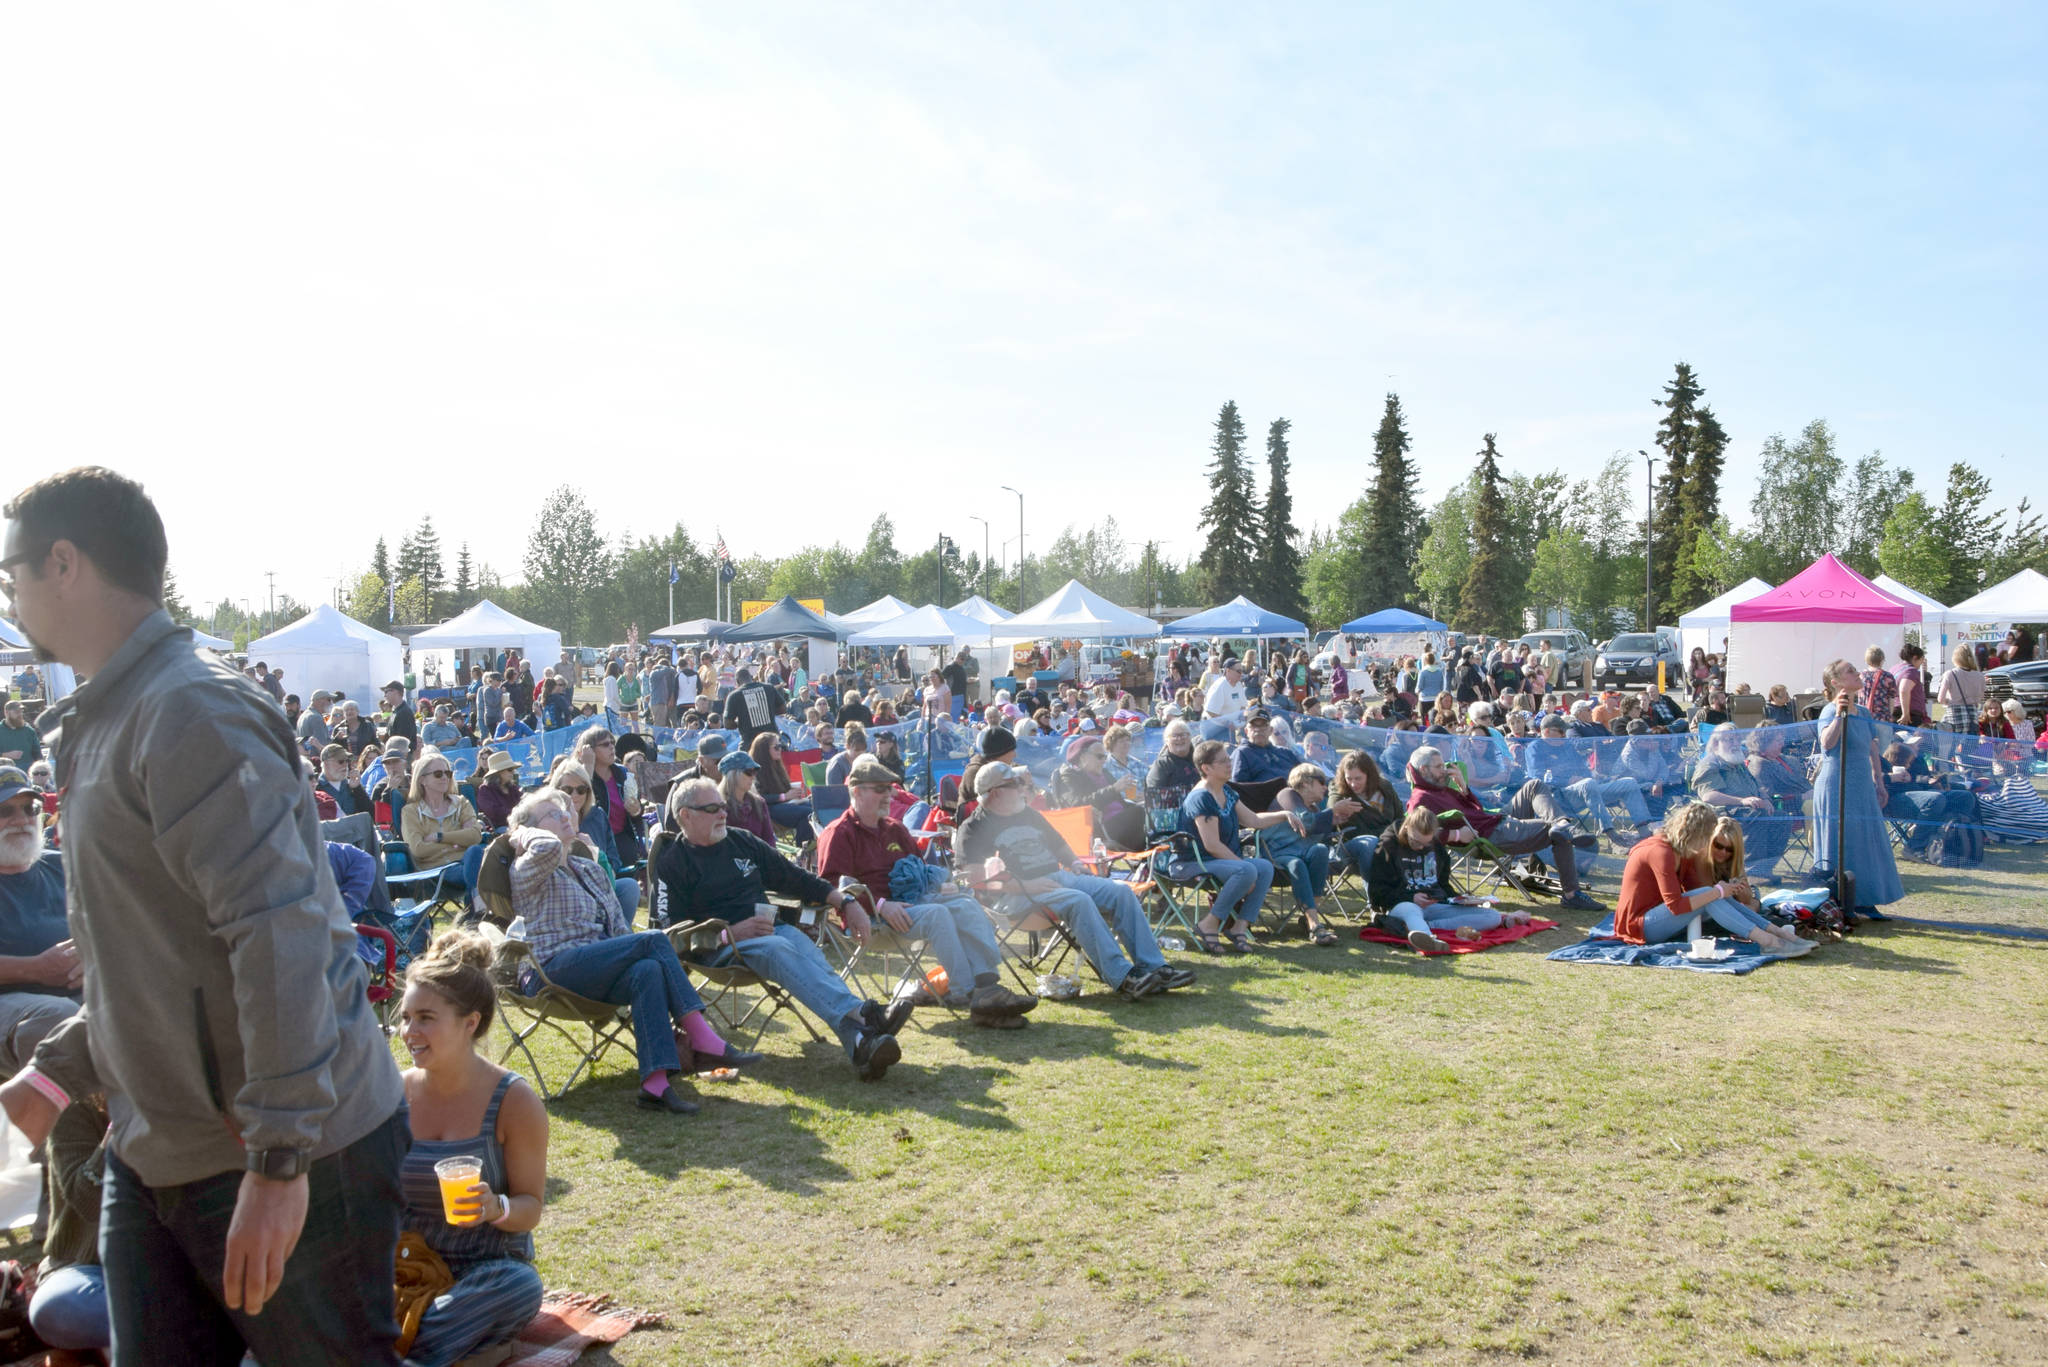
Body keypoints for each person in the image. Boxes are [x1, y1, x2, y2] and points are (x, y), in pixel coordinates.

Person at [0, 466, 407, 1362]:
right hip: (159, 1148)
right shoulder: (111, 713)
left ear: (64, 562)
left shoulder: (188, 709)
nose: (10, 591)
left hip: (282, 1148)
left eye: (13, 570)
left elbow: (282, 932)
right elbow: (144, 956)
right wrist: (60, 1068)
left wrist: (280, 1156)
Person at [509, 788, 755, 1112]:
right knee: (652, 938)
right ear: (532, 830)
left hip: (595, 969)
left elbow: (619, 930)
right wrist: (521, 831)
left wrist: (633, 950)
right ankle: (702, 1037)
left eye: (564, 811)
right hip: (550, 969)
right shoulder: (526, 870)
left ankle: (655, 1084)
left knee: (646, 970)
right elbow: (549, 847)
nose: (565, 815)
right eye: (553, 814)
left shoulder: (591, 870)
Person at [656, 776, 907, 1078]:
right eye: (713, 808)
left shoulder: (741, 841)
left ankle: (860, 1041)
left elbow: (793, 877)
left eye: (723, 806)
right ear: (685, 814)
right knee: (779, 947)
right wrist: (731, 934)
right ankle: (865, 1015)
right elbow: (672, 937)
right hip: (721, 948)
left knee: (804, 949)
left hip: (769, 934)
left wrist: (846, 903)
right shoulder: (672, 861)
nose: (723, 813)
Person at [397, 932, 548, 1367]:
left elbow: (530, 1207)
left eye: (426, 1017)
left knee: (519, 1288)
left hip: (483, 1267)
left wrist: (494, 1206)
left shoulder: (514, 1101)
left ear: (470, 1023)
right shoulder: (396, 1092)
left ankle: (386, 1350)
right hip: (407, 1262)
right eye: (406, 1017)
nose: (410, 1031)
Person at [815, 755, 1037, 1029]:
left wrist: (937, 883)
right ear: (857, 791)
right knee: (938, 914)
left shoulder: (895, 829)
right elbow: (831, 884)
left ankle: (987, 986)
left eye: (890, 789)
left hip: (913, 903)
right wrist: (881, 905)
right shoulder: (839, 833)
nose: (888, 795)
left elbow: (918, 867)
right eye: (880, 789)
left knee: (966, 904)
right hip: (872, 919)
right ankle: (967, 994)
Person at [954, 764, 1188, 1000]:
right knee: (1079, 900)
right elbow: (977, 882)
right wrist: (1027, 887)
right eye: (1015, 784)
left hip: (1058, 879)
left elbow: (1059, 845)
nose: (1023, 787)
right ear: (995, 792)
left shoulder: (1027, 813)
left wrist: (1075, 864)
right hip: (1015, 896)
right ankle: (1124, 977)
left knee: (1121, 892)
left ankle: (1154, 967)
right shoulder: (974, 829)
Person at [1404, 744, 1604, 912]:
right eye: (1439, 767)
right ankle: (1571, 893)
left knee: (1534, 786)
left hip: (1493, 820)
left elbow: (1477, 810)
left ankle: (1561, 824)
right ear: (1423, 770)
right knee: (1550, 830)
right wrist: (1456, 834)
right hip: (1489, 835)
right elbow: (1415, 832)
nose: (1445, 770)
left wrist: (1463, 787)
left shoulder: (1440, 787)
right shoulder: (1421, 798)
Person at [1611, 802, 1807, 951]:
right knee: (1712, 894)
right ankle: (1768, 940)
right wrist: (1718, 891)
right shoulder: (1660, 851)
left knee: (1714, 895)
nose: (1708, 845)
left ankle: (1776, 932)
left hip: (1657, 918)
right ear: (1694, 833)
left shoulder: (1682, 851)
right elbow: (1676, 905)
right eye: (1708, 838)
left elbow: (1698, 892)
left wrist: (1726, 892)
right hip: (1637, 926)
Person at [1180, 739, 1304, 953]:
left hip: (1218, 861)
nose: (1229, 764)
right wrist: (1245, 870)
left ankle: (1239, 927)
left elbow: (1254, 821)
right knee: (1248, 869)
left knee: (1264, 867)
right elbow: (1211, 845)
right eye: (1223, 761)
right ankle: (1208, 923)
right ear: (1206, 768)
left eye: (1229, 759)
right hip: (1193, 862)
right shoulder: (1201, 797)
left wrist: (1284, 815)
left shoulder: (1226, 791)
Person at [0, 766, 79, 1076]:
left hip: (79, 991)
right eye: (5, 810)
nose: (21, 820)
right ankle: (41, 1120)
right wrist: (36, 969)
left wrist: (95, 962)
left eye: (30, 808)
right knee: (58, 1018)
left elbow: (119, 928)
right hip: (15, 1004)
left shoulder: (63, 864)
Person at [1368, 808, 1531, 951]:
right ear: (1407, 828)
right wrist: (1410, 897)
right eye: (1415, 841)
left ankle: (1426, 928)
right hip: (1402, 905)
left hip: (1435, 906)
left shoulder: (1436, 846)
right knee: (1412, 910)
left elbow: (1443, 884)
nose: (1419, 847)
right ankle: (1428, 939)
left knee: (1492, 917)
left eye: (1425, 844)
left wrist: (1460, 900)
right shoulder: (1389, 845)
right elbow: (1377, 893)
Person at [1814, 658, 1904, 913]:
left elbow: (1872, 747)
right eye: (1850, 671)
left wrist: (1880, 780)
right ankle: (1841, 899)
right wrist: (1840, 716)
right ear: (1836, 682)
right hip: (1836, 785)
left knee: (1866, 840)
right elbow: (1827, 743)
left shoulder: (1864, 712)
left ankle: (1866, 898)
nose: (1857, 674)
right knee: (1842, 841)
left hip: (1862, 783)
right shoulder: (1829, 711)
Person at [1263, 764, 1354, 946]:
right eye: (1321, 782)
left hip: (1301, 853)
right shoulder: (1287, 795)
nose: (1325, 787)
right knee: (1297, 864)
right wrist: (1333, 810)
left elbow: (1317, 836)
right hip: (1276, 853)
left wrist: (1332, 820)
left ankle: (1310, 915)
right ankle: (1313, 923)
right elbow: (1305, 823)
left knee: (1320, 850)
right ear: (1306, 783)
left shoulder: (1313, 808)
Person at [551, 760, 640, 918]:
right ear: (556, 790)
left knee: (629, 887)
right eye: (567, 790)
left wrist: (595, 853)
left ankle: (619, 932)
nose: (574, 795)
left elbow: (613, 862)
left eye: (581, 789)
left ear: (588, 791)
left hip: (601, 884)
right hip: (566, 890)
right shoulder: (549, 819)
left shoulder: (597, 816)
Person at [402, 750, 486, 890]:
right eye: (438, 774)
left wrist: (439, 837)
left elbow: (475, 836)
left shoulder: (461, 803)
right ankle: (476, 906)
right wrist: (458, 842)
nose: (444, 778)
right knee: (479, 870)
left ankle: (476, 907)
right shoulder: (410, 811)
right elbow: (417, 849)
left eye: (448, 773)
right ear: (422, 780)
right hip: (436, 871)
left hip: (465, 861)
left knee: (475, 852)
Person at [1049, 734, 1145, 851]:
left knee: (1147, 810)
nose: (1104, 761)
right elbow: (1077, 804)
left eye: (1104, 757)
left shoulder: (1104, 772)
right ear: (1083, 757)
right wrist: (1114, 789)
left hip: (1122, 821)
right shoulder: (1069, 776)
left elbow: (1120, 801)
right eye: (1100, 757)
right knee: (1139, 813)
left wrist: (1134, 798)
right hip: (1103, 827)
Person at [1330, 747, 1403, 875]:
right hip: (1357, 843)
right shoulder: (1340, 790)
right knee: (1372, 843)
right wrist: (1337, 807)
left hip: (1391, 838)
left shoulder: (1384, 787)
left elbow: (1399, 817)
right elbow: (1332, 808)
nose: (1353, 784)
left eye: (1358, 778)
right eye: (1349, 778)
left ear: (1369, 776)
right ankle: (1376, 893)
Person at [748, 732, 813, 834]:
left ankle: (808, 845)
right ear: (764, 750)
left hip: (783, 805)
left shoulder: (776, 765)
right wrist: (784, 796)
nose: (780, 749)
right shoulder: (754, 770)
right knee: (808, 813)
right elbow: (757, 797)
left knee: (814, 806)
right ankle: (806, 847)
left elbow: (782, 790)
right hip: (767, 810)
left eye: (781, 746)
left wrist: (794, 792)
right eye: (776, 747)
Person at [717, 748, 777, 843]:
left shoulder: (759, 803)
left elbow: (769, 839)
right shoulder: (719, 807)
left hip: (760, 855)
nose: (753, 777)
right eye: (749, 772)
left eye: (754, 772)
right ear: (733, 775)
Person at [723, 667, 787, 749]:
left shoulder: (734, 696)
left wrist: (741, 722)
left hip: (750, 744)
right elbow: (783, 709)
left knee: (741, 759)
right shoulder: (769, 688)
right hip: (772, 741)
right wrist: (768, 712)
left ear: (737, 682)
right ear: (751, 677)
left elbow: (727, 724)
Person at [1937, 643, 1984, 736]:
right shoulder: (1979, 676)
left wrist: (1949, 701)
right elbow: (1980, 697)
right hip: (1972, 716)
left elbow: (1940, 699)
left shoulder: (1950, 674)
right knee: (1968, 748)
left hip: (1954, 716)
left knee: (1951, 746)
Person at [475, 749, 524, 832]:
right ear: (498, 772)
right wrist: (516, 813)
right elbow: (493, 812)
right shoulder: (485, 790)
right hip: (499, 827)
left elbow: (524, 801)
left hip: (519, 823)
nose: (513, 772)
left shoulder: (512, 788)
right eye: (510, 769)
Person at [1894, 644, 1931, 727]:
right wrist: (1905, 714)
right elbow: (1904, 690)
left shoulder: (1895, 669)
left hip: (1895, 711)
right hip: (1910, 716)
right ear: (1915, 658)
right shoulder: (1911, 671)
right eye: (1921, 660)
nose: (1921, 663)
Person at [828, 721, 869, 788]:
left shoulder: (867, 761)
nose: (861, 753)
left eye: (863, 749)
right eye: (857, 750)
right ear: (847, 746)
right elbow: (835, 792)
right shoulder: (837, 764)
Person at [383, 680, 418, 748]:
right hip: (397, 753)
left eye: (386, 691)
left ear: (396, 692)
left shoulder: (404, 712)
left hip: (402, 754)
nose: (385, 695)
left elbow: (403, 740)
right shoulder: (396, 711)